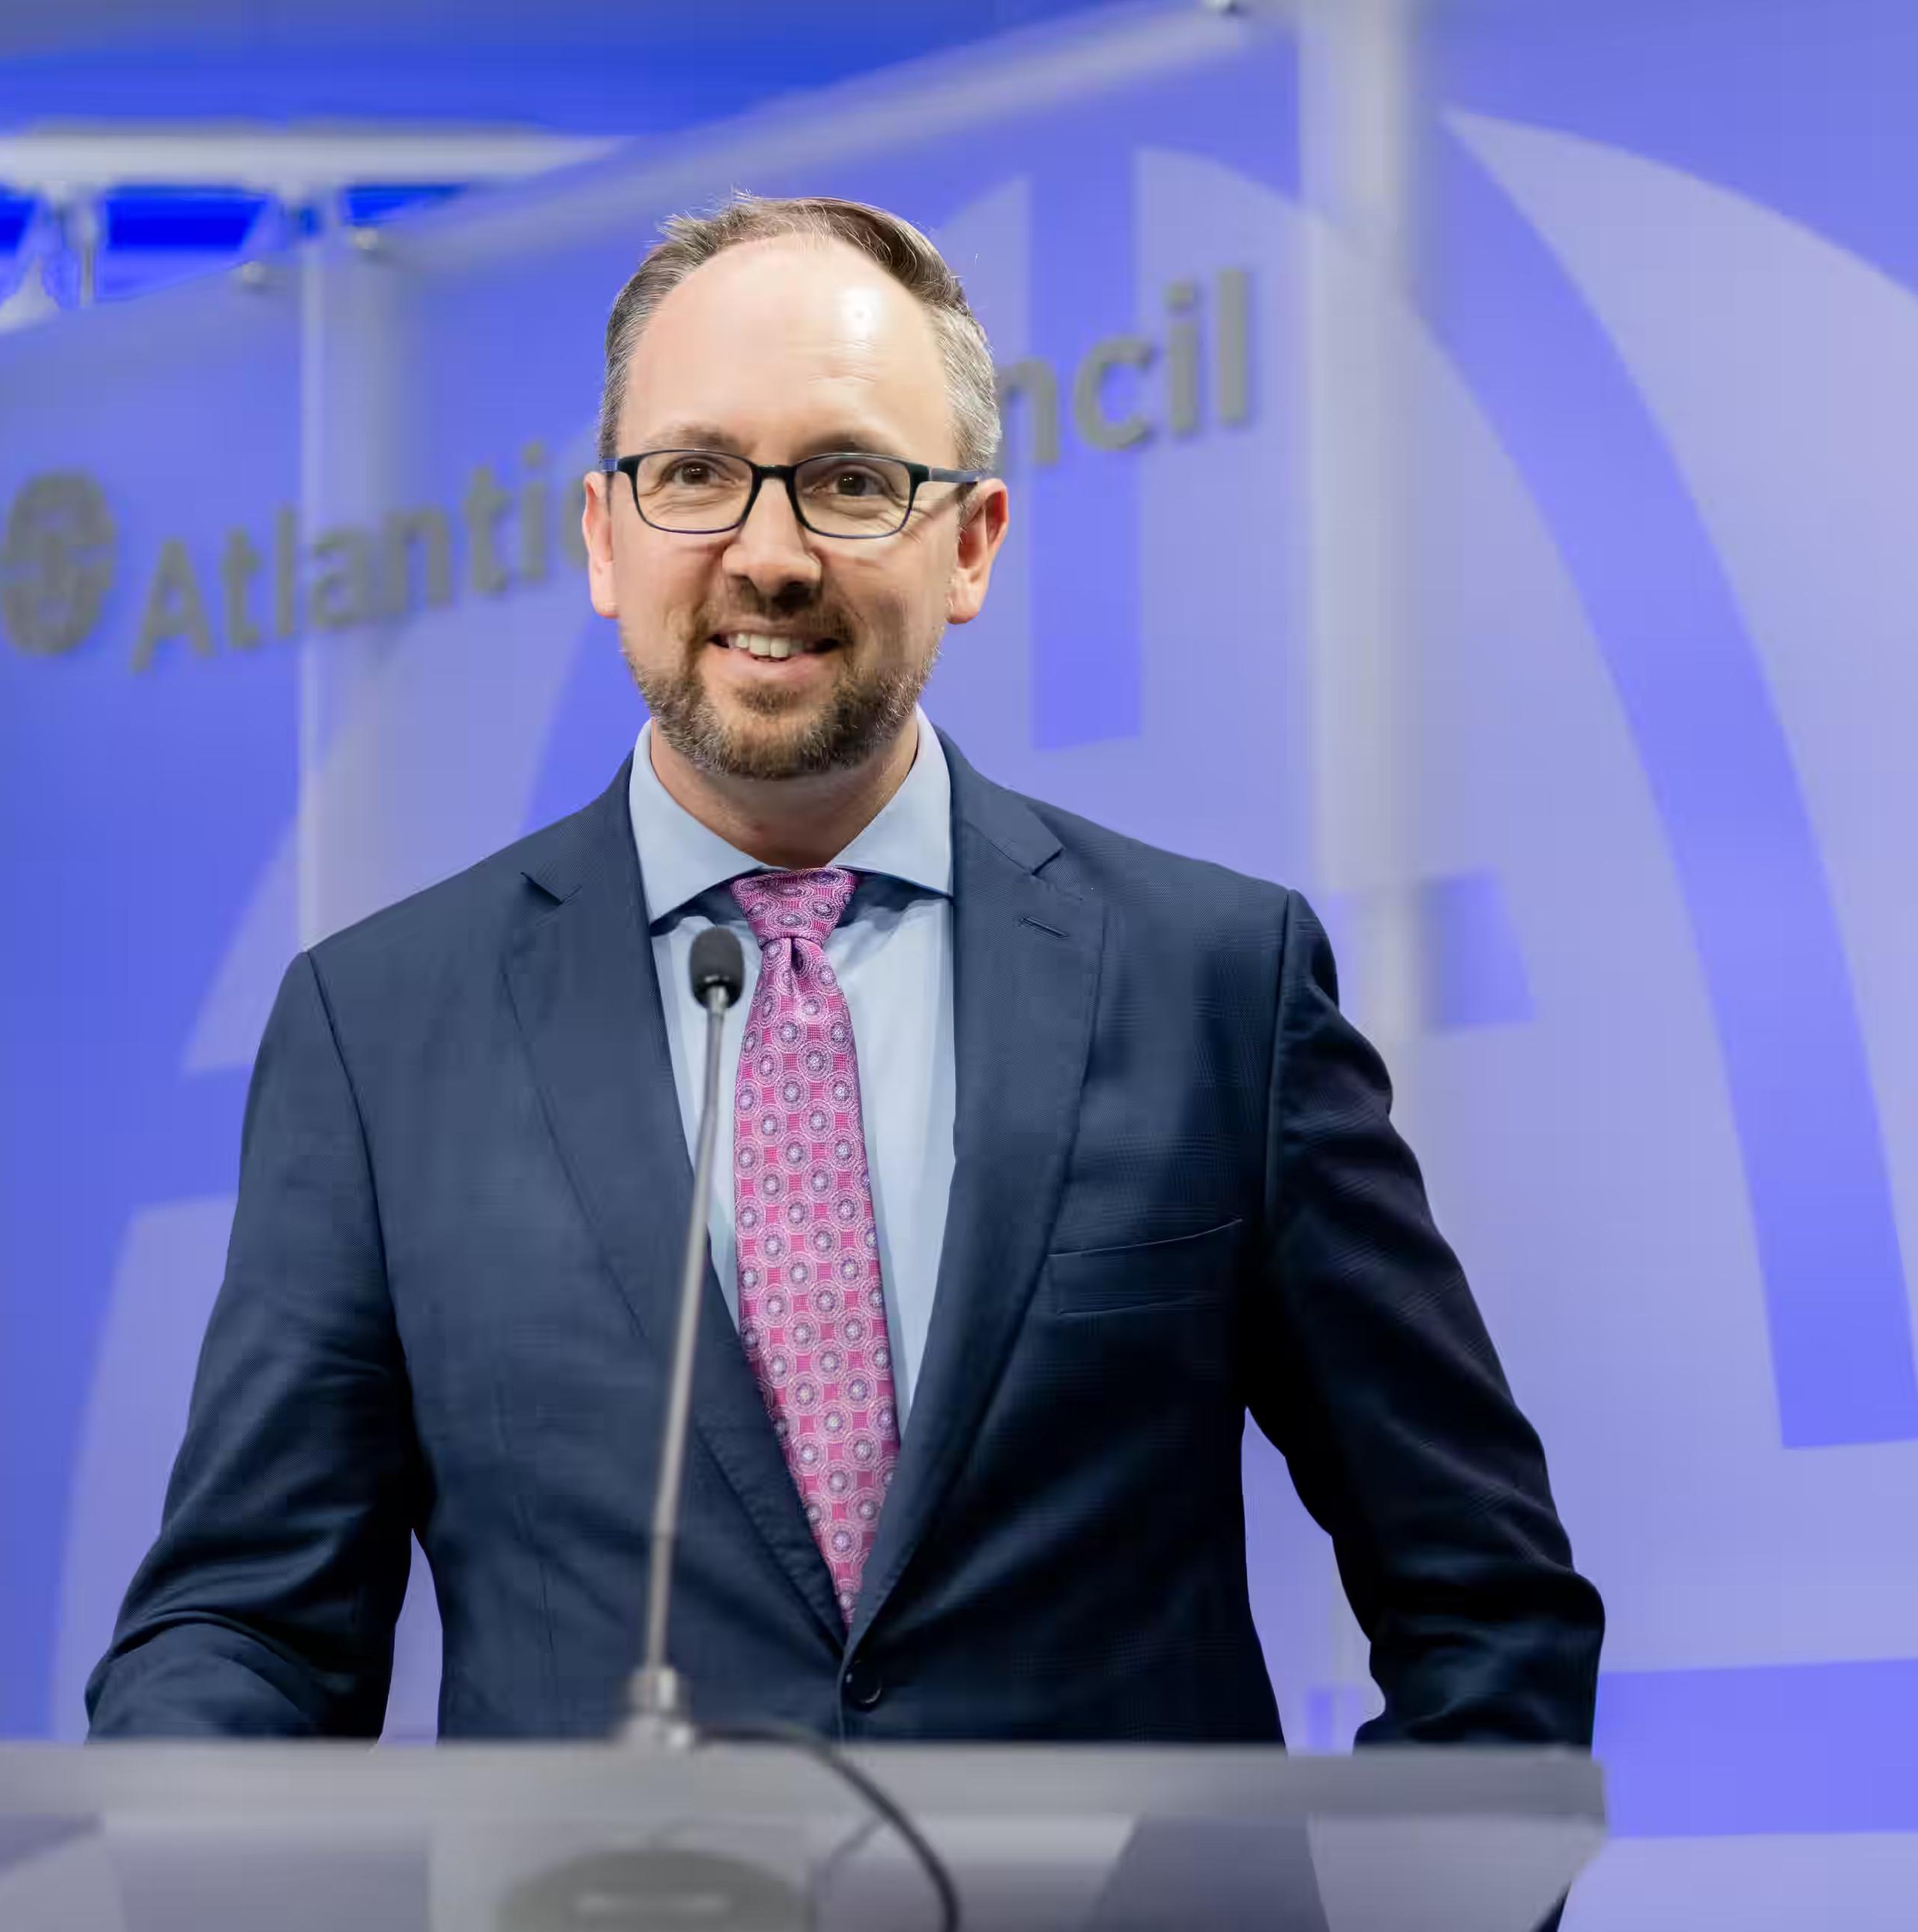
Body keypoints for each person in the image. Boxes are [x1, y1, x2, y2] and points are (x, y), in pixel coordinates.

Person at [87, 194, 1601, 1749]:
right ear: (604, 538)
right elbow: (248, 1623)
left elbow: (1485, 1595)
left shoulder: (1217, 982)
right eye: (693, 475)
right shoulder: (383, 1028)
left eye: (851, 481)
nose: (769, 552)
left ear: (971, 543)